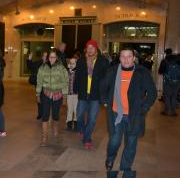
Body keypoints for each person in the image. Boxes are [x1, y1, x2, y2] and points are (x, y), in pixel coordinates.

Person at [100, 47, 157, 178]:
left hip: (134, 115)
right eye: (123, 56)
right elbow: (102, 85)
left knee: (131, 144)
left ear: (134, 58)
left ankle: (125, 168)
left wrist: (144, 108)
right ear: (119, 58)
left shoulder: (142, 73)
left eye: (129, 56)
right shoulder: (112, 71)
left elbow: (152, 93)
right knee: (114, 141)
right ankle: (110, 157)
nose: (126, 59)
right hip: (116, 114)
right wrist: (104, 100)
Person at [75, 39, 110, 150]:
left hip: (96, 95)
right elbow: (77, 76)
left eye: (92, 48)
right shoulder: (81, 61)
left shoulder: (103, 61)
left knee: (92, 119)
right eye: (88, 48)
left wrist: (105, 94)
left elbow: (106, 79)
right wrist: (75, 90)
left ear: (96, 49)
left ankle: (87, 138)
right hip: (83, 94)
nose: (90, 50)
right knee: (79, 116)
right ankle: (83, 130)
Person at [36, 49, 68, 147]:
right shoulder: (42, 67)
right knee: (45, 116)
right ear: (47, 57)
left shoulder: (61, 68)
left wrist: (65, 96)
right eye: (50, 57)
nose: (52, 59)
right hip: (46, 94)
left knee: (55, 115)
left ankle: (55, 130)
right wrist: (38, 94)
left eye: (54, 57)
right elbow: (39, 81)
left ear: (57, 58)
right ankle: (44, 137)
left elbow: (65, 82)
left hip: (57, 95)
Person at [158, 48, 180, 116]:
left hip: (167, 81)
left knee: (167, 96)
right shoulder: (178, 60)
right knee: (174, 96)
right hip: (177, 81)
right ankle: (173, 112)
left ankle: (166, 111)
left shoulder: (164, 60)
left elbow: (160, 71)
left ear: (165, 53)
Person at [27, 51, 48, 120]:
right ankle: (40, 114)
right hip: (38, 84)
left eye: (46, 56)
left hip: (47, 85)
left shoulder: (50, 64)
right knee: (39, 100)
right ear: (42, 57)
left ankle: (45, 113)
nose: (44, 58)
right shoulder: (39, 62)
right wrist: (29, 58)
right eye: (44, 56)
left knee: (45, 100)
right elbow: (31, 66)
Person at [66, 58, 78, 131]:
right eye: (70, 63)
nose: (72, 65)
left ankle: (76, 124)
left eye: (73, 63)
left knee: (76, 109)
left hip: (76, 94)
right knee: (69, 109)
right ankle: (69, 123)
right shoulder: (68, 72)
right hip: (69, 93)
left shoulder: (78, 72)